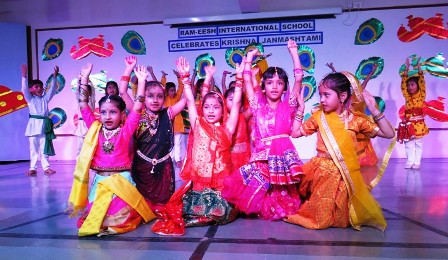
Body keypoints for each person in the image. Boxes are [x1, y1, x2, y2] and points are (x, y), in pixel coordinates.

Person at [285, 72, 395, 231]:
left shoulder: (357, 121)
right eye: (320, 95)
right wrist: (301, 109)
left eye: (327, 95)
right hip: (321, 172)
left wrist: (374, 110)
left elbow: (389, 134)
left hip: (345, 175)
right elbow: (295, 133)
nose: (322, 99)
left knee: (341, 219)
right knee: (319, 220)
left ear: (342, 96)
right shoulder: (319, 117)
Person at [151, 56, 243, 236]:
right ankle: (200, 216)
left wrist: (239, 79)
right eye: (207, 107)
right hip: (200, 183)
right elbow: (191, 101)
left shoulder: (228, 128)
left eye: (215, 107)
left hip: (220, 184)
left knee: (225, 211)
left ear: (223, 110)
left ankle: (204, 217)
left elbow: (237, 104)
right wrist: (185, 80)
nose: (210, 111)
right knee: (191, 208)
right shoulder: (197, 124)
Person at [67, 62, 155, 237]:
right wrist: (84, 78)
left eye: (113, 112)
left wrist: (142, 81)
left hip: (122, 181)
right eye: (104, 112)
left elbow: (137, 107)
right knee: (95, 218)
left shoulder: (126, 131)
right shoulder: (95, 129)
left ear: (122, 115)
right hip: (100, 182)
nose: (108, 117)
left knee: (119, 218)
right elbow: (84, 105)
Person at [221, 39, 304, 220]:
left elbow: (298, 78)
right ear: (264, 87)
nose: (275, 86)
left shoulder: (288, 105)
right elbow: (248, 80)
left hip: (282, 158)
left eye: (280, 83)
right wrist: (249, 59)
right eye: (270, 83)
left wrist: (294, 52)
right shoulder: (257, 105)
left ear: (284, 88)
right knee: (252, 201)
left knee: (286, 201)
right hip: (261, 157)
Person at [119, 56, 186, 210]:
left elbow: (185, 100)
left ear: (164, 99)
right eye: (150, 96)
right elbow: (122, 92)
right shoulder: (138, 112)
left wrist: (184, 77)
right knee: (142, 207)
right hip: (141, 167)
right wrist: (129, 69)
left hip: (164, 168)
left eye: (159, 96)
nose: (155, 100)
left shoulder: (168, 114)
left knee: (163, 207)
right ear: (144, 98)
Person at [21, 64, 58, 176]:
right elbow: (24, 89)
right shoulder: (30, 99)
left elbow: (51, 90)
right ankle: (32, 168)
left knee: (44, 147)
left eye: (41, 87)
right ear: (31, 89)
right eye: (36, 87)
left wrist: (55, 76)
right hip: (33, 126)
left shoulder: (45, 99)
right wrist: (24, 75)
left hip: (44, 126)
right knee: (33, 148)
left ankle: (46, 167)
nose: (39, 88)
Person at [400, 57, 428, 169]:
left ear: (417, 86)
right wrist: (406, 69)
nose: (410, 87)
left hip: (419, 124)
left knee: (418, 143)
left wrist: (419, 68)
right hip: (409, 124)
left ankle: (417, 162)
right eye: (409, 85)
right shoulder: (407, 96)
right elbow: (403, 85)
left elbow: (422, 81)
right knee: (409, 143)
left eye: (412, 85)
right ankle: (410, 161)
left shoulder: (421, 95)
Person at [73, 77, 95, 159]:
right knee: (80, 146)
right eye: (83, 91)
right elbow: (77, 93)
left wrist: (89, 81)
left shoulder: (91, 100)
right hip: (81, 125)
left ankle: (89, 162)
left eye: (87, 91)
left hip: (89, 125)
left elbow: (93, 91)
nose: (85, 93)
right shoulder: (79, 101)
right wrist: (79, 83)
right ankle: (78, 162)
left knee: (89, 145)